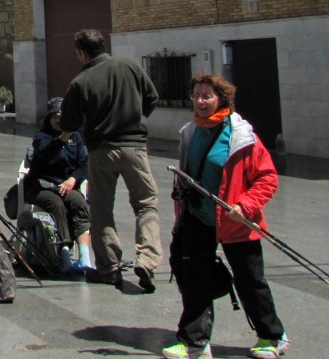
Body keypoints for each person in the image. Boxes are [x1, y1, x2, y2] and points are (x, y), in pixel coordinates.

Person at [162, 74, 289, 359]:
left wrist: (245, 205)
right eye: (196, 95)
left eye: (207, 96)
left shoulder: (242, 136)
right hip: (197, 217)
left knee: (250, 279)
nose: (200, 101)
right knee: (194, 279)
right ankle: (194, 341)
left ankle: (272, 336)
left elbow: (267, 178)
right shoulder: (191, 132)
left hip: (235, 221)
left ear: (222, 99)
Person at [58, 28, 162, 292]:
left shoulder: (80, 81)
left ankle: (109, 268)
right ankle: (147, 260)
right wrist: (136, 119)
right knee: (146, 204)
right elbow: (152, 98)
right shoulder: (130, 65)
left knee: (102, 211)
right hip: (135, 147)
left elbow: (69, 122)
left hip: (101, 149)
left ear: (81, 52)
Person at [26, 97, 92, 274]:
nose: (58, 119)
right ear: (49, 118)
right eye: (55, 116)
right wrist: (62, 138)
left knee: (79, 203)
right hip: (41, 187)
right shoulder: (42, 136)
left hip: (66, 185)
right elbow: (45, 153)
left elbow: (83, 165)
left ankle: (85, 257)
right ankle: (64, 253)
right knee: (57, 205)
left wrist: (73, 180)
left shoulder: (76, 137)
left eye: (62, 116)